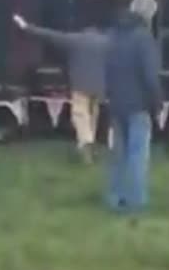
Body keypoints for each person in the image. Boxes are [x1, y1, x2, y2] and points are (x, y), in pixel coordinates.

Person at [13, 15, 109, 163]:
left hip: (81, 84)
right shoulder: (106, 42)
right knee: (93, 113)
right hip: (100, 86)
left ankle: (86, 142)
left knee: (80, 114)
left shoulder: (75, 40)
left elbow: (50, 35)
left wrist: (26, 27)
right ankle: (91, 141)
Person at [103, 0, 163, 213]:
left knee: (118, 154)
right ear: (149, 15)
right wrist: (157, 103)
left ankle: (114, 197)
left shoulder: (114, 35)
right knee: (138, 154)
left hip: (117, 102)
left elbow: (107, 68)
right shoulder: (144, 38)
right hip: (139, 104)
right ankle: (136, 201)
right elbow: (150, 76)